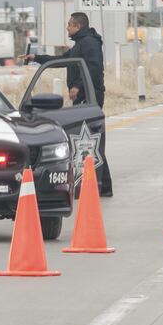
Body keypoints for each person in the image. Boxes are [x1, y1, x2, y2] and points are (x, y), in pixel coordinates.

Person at [24, 12, 112, 196]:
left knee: (90, 140)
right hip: (85, 95)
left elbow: (94, 69)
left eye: (69, 25)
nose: (67, 28)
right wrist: (36, 59)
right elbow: (62, 61)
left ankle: (103, 186)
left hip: (90, 96)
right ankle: (102, 186)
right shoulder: (80, 44)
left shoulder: (89, 44)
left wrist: (77, 86)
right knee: (90, 140)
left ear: (78, 26)